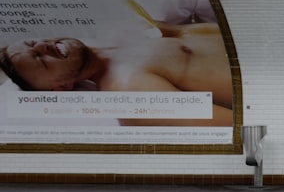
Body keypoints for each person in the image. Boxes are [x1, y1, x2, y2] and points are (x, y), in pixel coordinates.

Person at [0, 21, 232, 127]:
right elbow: (229, 124)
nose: (42, 47)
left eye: (32, 43)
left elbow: (192, 30)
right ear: (62, 87)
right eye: (40, 61)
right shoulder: (128, 91)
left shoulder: (121, 32)